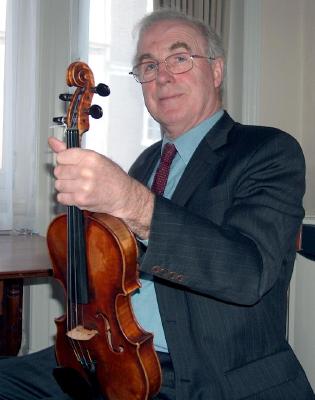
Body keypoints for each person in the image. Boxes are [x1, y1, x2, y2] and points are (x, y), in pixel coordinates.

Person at [0, 8, 314, 400]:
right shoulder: (147, 162)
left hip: (208, 372)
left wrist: (129, 199)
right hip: (113, 356)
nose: (162, 76)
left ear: (216, 71)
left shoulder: (267, 151)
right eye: (148, 66)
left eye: (180, 58)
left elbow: (247, 274)